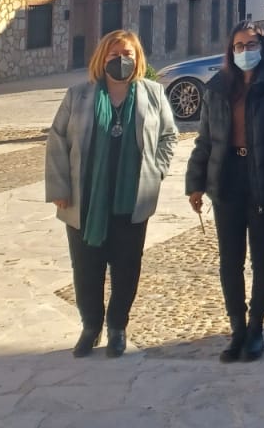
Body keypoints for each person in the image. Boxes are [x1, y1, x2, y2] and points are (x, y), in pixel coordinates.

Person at [45, 29, 178, 359]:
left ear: (138, 59)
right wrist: (60, 188)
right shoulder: (79, 95)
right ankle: (91, 326)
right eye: (114, 54)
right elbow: (57, 142)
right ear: (101, 57)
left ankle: (117, 326)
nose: (121, 60)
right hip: (85, 197)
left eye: (128, 54)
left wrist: (156, 170)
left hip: (132, 198)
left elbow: (168, 136)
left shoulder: (152, 94)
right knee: (86, 268)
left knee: (126, 266)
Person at [187, 23, 264, 363]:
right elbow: (205, 140)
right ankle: (236, 327)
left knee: (262, 258)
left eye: (251, 44)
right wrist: (195, 183)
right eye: (238, 45)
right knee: (230, 260)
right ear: (230, 50)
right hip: (226, 180)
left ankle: (256, 328)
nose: (244, 51)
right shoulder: (218, 88)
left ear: (262, 47)